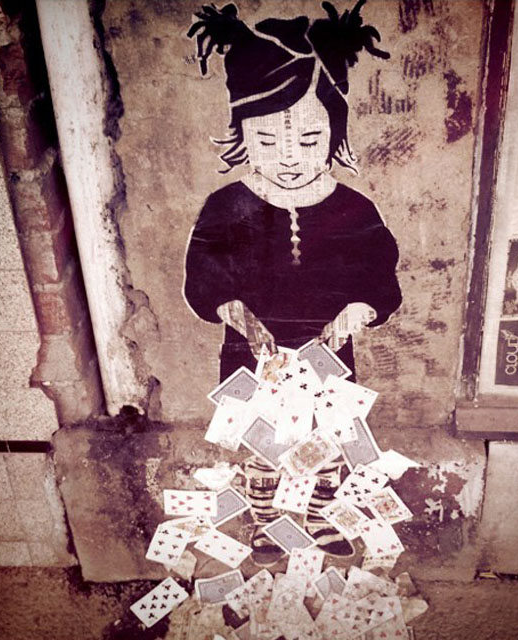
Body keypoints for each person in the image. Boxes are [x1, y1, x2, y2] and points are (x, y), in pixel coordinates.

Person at [184, 1, 402, 565]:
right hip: (249, 349)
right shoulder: (225, 205)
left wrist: (360, 309)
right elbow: (202, 271)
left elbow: (379, 271)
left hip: (328, 348)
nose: (287, 158)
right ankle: (267, 525)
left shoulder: (355, 208)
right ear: (241, 134)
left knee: (325, 442)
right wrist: (234, 311)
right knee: (263, 444)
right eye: (266, 140)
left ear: (334, 133)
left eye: (307, 141)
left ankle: (321, 517)